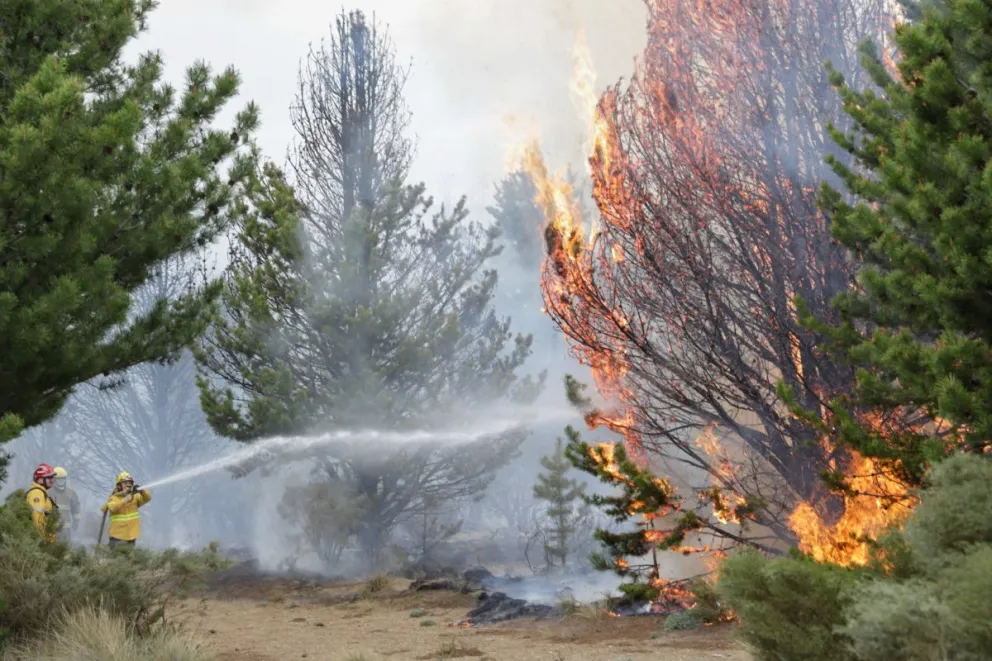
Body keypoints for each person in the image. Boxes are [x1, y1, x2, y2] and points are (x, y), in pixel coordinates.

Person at [101, 471, 151, 548]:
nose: (128, 485)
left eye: (130, 483)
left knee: (129, 559)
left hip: (131, 536)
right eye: (125, 483)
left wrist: (142, 491)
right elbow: (113, 508)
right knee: (114, 559)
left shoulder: (135, 497)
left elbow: (147, 498)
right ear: (119, 486)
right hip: (117, 537)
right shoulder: (113, 498)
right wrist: (125, 500)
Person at [26, 463, 58, 541]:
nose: (52, 480)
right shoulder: (37, 493)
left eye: (52, 477)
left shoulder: (42, 493)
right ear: (40, 479)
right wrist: (43, 539)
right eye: (49, 478)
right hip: (41, 539)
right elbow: (36, 517)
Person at [50, 467, 81, 544]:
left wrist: (76, 522)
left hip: (66, 529)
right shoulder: (48, 492)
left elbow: (76, 509)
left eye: (63, 479)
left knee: (66, 549)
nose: (61, 481)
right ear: (54, 479)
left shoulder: (71, 493)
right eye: (59, 479)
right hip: (52, 528)